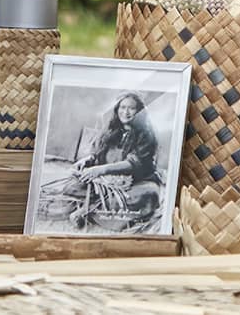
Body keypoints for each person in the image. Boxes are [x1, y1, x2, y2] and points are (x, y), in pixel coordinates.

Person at [39, 93, 163, 232]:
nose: (125, 112)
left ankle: (86, 211)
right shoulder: (111, 129)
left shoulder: (146, 134)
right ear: (117, 109)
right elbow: (98, 152)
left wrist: (101, 170)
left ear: (139, 111)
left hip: (137, 181)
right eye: (122, 107)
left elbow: (134, 163)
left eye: (131, 108)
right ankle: (94, 206)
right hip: (105, 182)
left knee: (148, 195)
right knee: (72, 186)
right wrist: (89, 159)